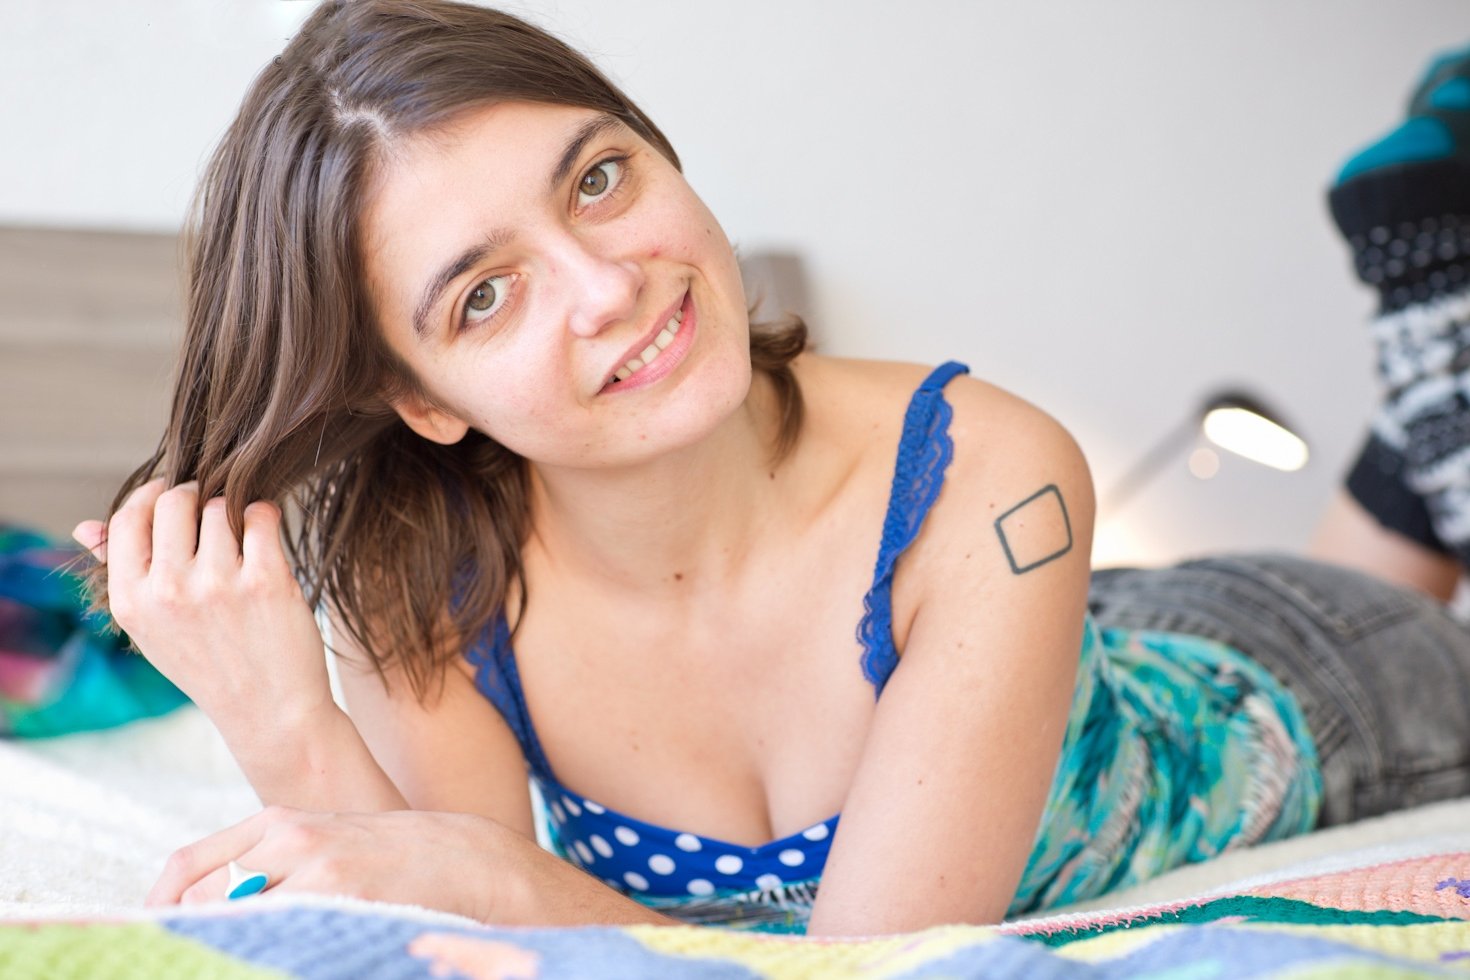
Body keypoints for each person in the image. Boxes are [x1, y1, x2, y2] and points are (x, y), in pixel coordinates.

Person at [71, 0, 1470, 936]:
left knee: (1410, 603)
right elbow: (434, 930)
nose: (606, 287)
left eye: (597, 179)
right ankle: (1427, 400)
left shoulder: (994, 467)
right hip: (1007, 650)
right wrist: (284, 722)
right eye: (484, 297)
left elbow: (872, 965)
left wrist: (511, 876)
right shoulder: (419, 582)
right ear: (421, 402)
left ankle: (1432, 398)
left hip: (1297, 684)